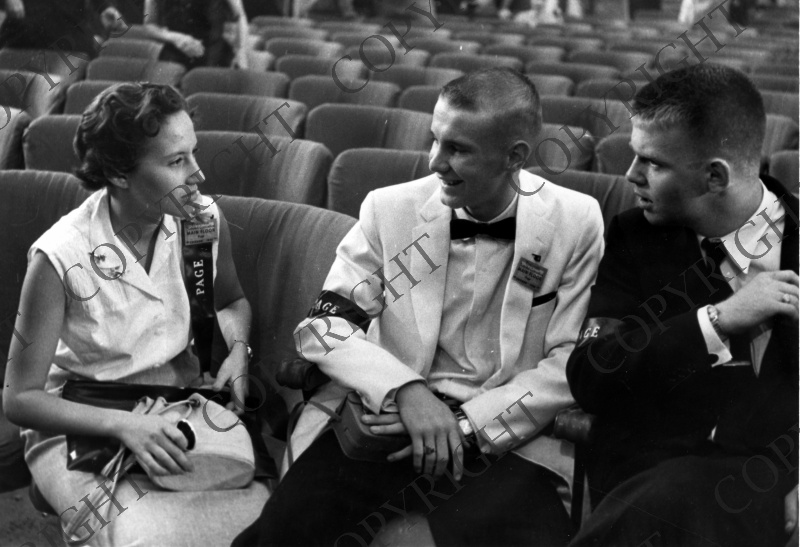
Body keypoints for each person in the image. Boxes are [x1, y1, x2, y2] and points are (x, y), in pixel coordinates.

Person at [233, 68, 605, 547]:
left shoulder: (577, 220)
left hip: (502, 437)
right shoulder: (389, 208)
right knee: (281, 534)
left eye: (458, 149)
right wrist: (407, 392)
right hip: (386, 422)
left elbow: (566, 362)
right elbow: (324, 327)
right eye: (434, 140)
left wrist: (466, 424)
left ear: (515, 156)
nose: (435, 161)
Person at [3, 82, 269, 546]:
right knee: (146, 538)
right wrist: (125, 425)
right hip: (80, 416)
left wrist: (238, 351)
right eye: (176, 161)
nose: (198, 174)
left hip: (175, 400)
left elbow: (230, 302)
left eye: (193, 152)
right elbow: (20, 399)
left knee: (260, 524)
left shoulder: (202, 221)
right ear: (118, 174)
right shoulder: (60, 256)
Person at [566, 63, 798, 547]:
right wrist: (716, 321)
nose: (630, 175)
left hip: (779, 486)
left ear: (715, 176)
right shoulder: (634, 236)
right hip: (652, 480)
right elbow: (591, 373)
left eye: (652, 163)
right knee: (673, 498)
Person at [140, 0, 251, 69]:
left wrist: (241, 51)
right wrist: (176, 38)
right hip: (174, 53)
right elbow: (149, 25)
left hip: (214, 54)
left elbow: (240, 16)